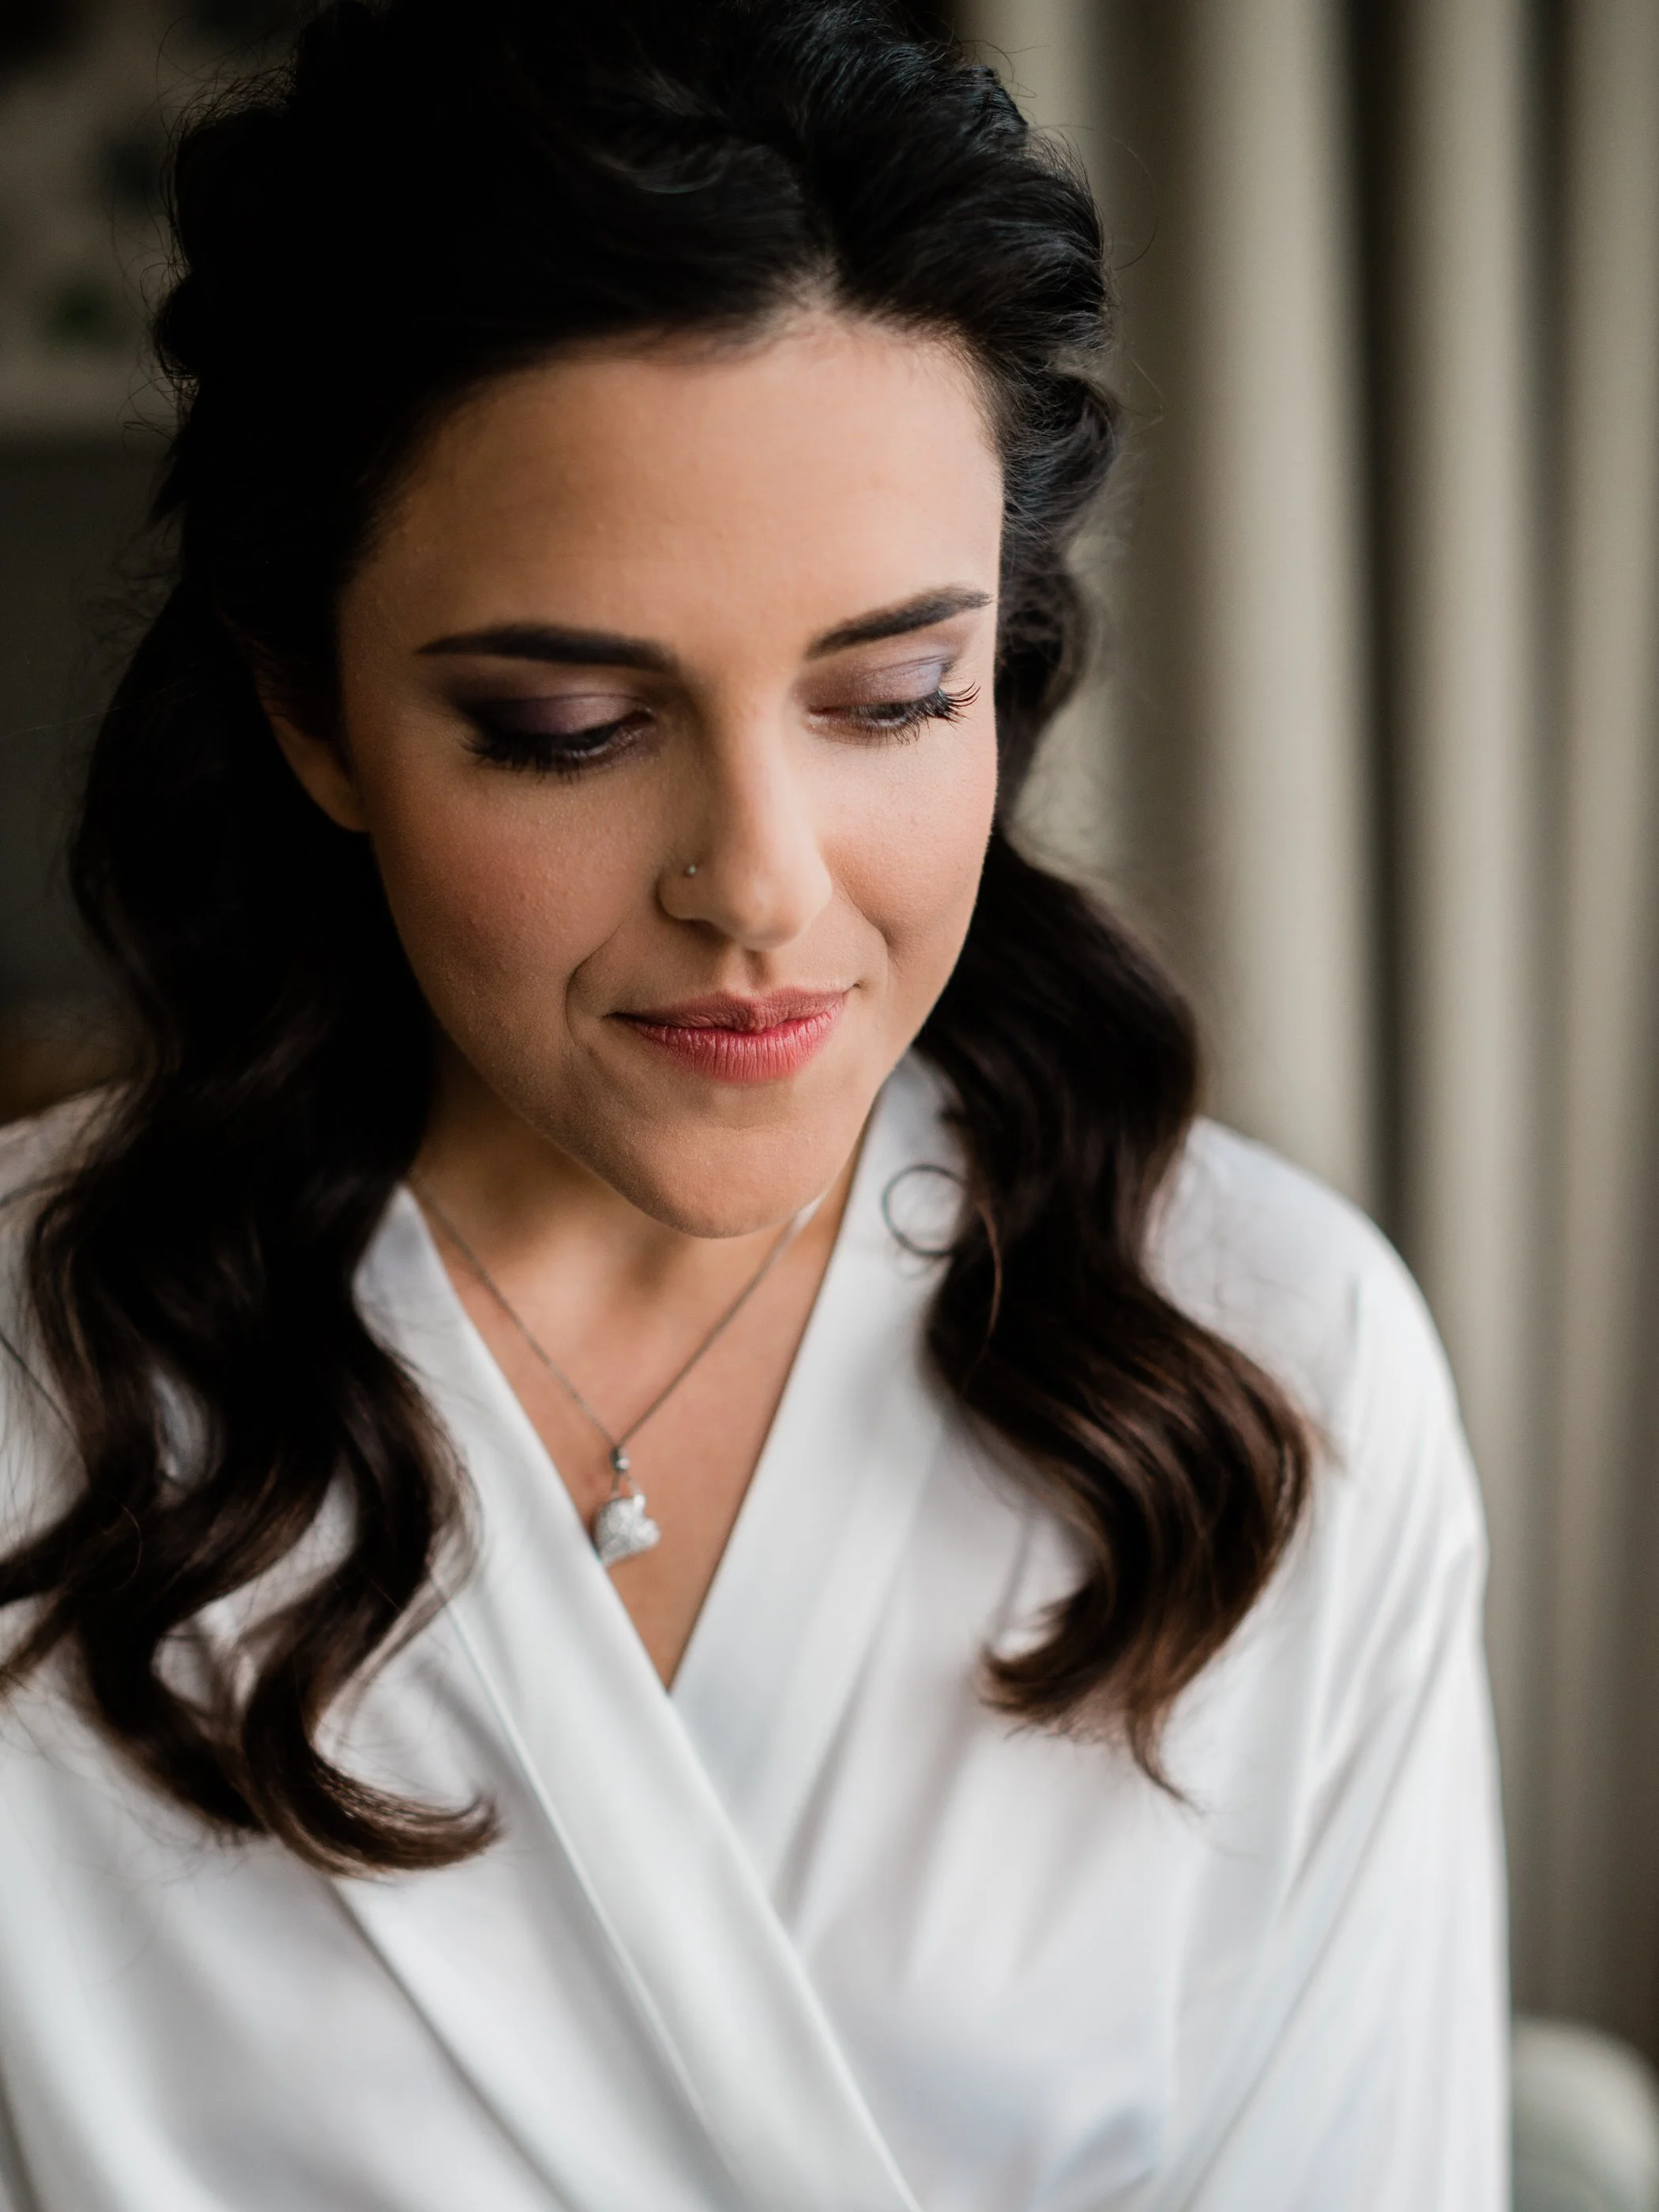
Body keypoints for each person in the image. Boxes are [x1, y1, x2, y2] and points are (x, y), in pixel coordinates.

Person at [0, 2, 1506, 2205]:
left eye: (894, 697)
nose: (762, 890)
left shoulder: (1273, 1362)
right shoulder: (29, 1393)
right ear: (311, 715)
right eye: (563, 724)